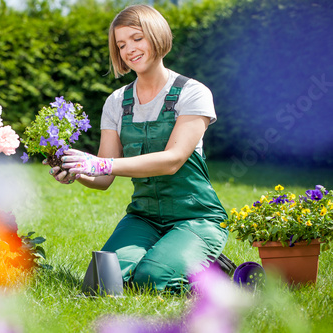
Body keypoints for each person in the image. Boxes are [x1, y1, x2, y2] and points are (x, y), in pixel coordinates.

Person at [48, 4, 228, 293]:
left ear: (156, 36)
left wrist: (101, 164)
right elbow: (103, 178)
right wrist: (76, 169)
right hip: (144, 217)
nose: (129, 49)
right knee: (103, 279)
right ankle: (170, 254)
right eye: (121, 45)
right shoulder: (117, 102)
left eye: (136, 38)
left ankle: (211, 266)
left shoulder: (192, 93)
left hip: (195, 217)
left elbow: (173, 160)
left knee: (152, 280)